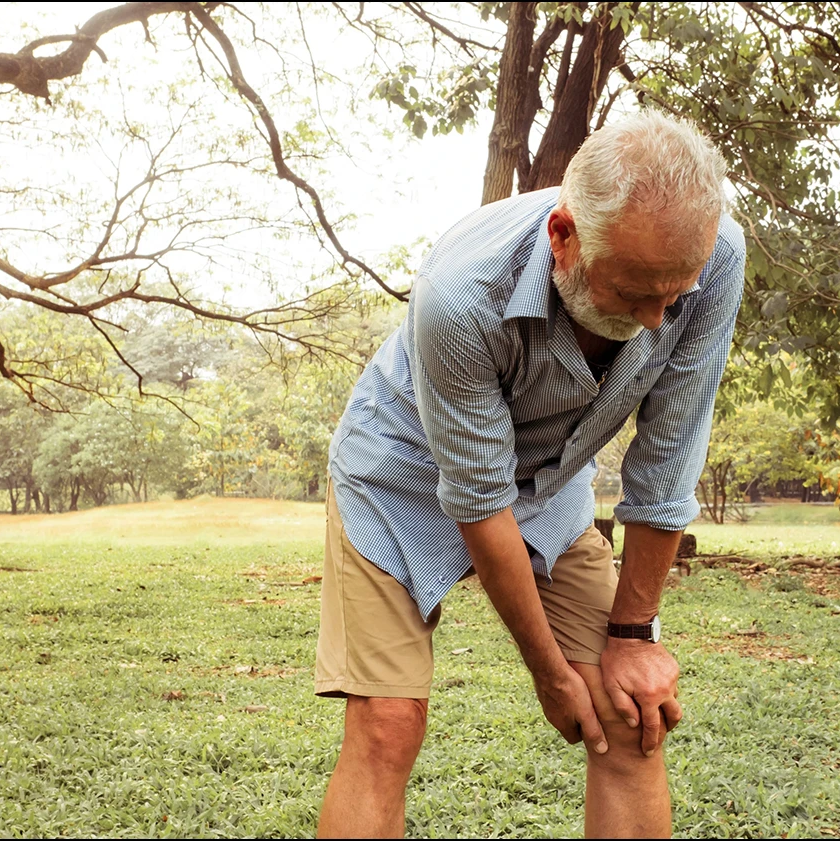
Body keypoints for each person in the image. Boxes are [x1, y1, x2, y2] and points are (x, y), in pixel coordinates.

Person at [314, 109, 745, 838]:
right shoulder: (460, 292)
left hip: (549, 480)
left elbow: (667, 458)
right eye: (632, 292)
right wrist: (549, 673)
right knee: (388, 724)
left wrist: (633, 636)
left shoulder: (716, 256)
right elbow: (479, 501)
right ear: (564, 237)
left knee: (624, 710)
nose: (652, 321)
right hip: (400, 474)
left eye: (672, 295)